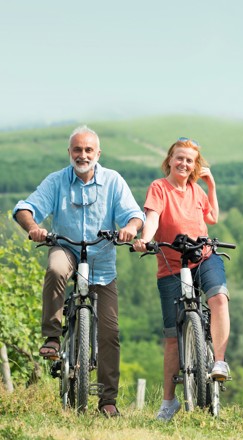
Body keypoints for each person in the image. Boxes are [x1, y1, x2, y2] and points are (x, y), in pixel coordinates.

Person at [13, 125, 145, 417]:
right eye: (77, 149)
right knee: (56, 268)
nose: (82, 155)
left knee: (109, 334)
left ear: (98, 153)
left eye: (88, 150)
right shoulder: (57, 180)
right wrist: (34, 227)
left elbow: (135, 214)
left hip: (101, 260)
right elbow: (25, 207)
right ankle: (52, 336)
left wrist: (129, 229)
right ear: (69, 152)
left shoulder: (113, 181)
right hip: (67, 247)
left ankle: (108, 401)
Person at [133, 137, 231, 422]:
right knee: (172, 339)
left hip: (203, 256)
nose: (184, 164)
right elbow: (151, 218)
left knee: (219, 299)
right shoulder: (159, 188)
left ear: (195, 165)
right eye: (179, 158)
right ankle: (169, 401)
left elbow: (212, 217)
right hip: (171, 262)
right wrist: (145, 240)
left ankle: (220, 362)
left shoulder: (197, 190)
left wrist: (211, 185)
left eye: (189, 160)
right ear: (170, 160)